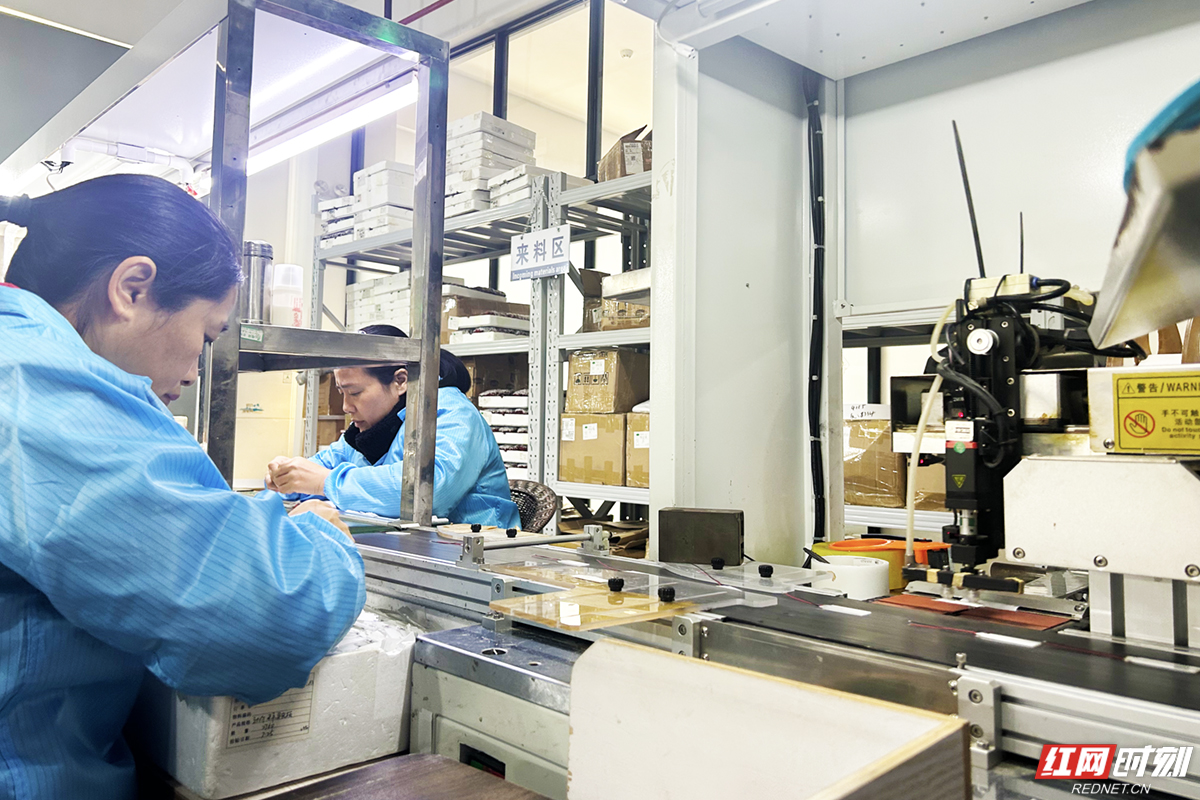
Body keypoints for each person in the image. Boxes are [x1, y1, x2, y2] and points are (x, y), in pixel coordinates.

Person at [0, 176, 365, 800]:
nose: (195, 372)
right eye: (205, 336)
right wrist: (322, 536)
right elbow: (266, 616)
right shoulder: (36, 383)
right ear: (131, 289)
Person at [266, 324, 522, 528]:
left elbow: (431, 491)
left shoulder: (451, 413)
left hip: (480, 556)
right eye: (341, 392)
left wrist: (327, 482)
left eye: (354, 393)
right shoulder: (365, 433)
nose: (345, 406)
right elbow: (317, 470)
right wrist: (286, 479)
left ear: (400, 381)